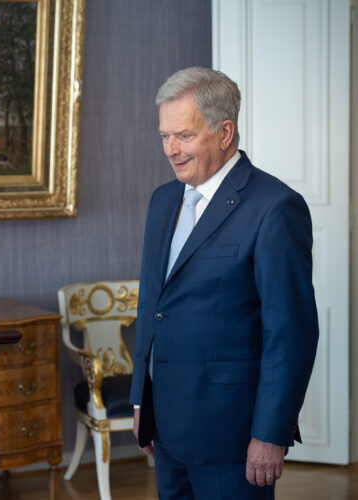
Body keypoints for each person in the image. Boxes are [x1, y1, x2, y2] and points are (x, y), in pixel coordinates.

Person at [129, 67, 318, 499]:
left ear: (225, 131)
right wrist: (142, 400)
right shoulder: (162, 201)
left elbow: (290, 334)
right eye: (164, 136)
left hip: (232, 438)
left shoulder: (275, 208)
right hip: (166, 430)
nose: (171, 149)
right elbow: (151, 306)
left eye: (184, 136)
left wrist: (271, 434)